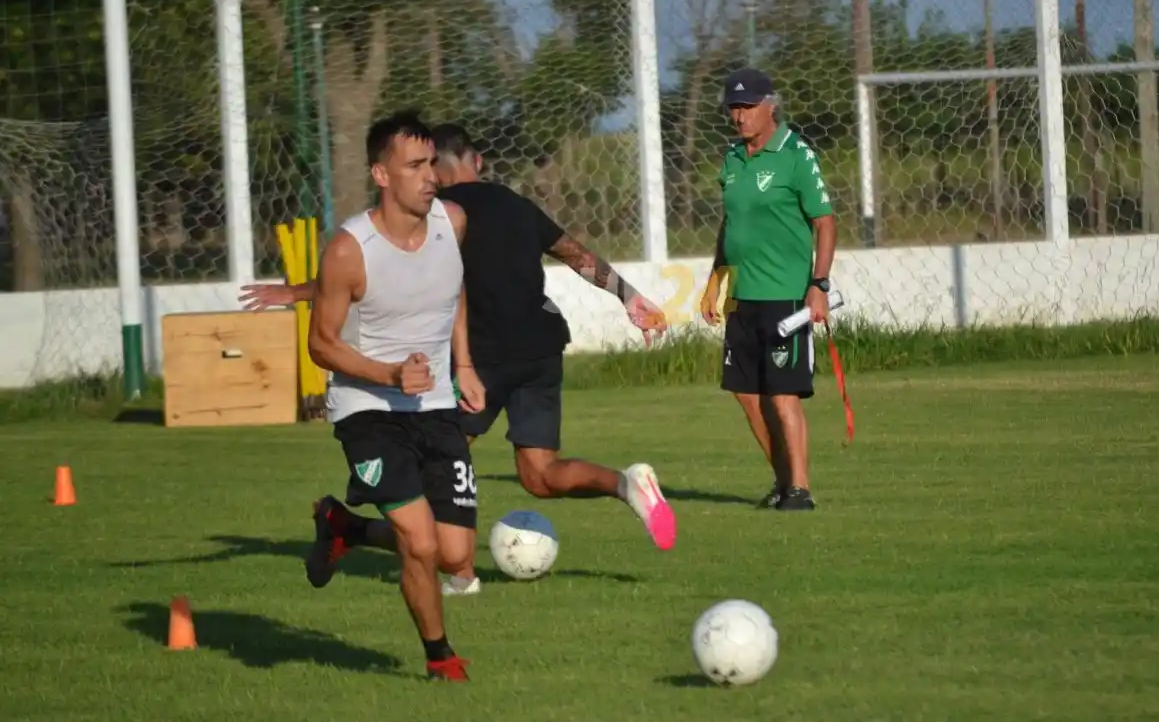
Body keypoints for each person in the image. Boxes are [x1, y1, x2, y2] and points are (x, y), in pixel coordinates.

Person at [240, 123, 677, 596]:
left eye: (429, 166)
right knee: (540, 473)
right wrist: (629, 298)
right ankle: (624, 483)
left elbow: (377, 272)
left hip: (482, 361)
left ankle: (456, 574)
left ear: (439, 168)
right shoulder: (516, 204)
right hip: (541, 348)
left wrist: (299, 291)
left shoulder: (443, 217)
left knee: (434, 488)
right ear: (478, 161)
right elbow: (578, 256)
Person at [304, 110, 480, 681]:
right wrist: (386, 375)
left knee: (454, 555)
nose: (430, 176)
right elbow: (321, 345)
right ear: (382, 174)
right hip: (368, 410)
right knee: (421, 543)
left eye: (432, 163)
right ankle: (441, 658)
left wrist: (465, 364)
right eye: (415, 166)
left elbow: (451, 292)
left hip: (434, 406)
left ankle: (345, 527)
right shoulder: (348, 251)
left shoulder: (451, 223)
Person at [698, 68, 837, 512]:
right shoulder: (731, 159)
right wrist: (716, 277)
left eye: (747, 107)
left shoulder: (796, 154)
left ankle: (800, 489)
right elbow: (731, 224)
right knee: (747, 394)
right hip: (743, 295)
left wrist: (819, 285)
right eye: (733, 108)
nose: (739, 117)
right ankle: (781, 482)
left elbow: (825, 222)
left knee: (783, 393)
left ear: (769, 106)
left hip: (785, 297)